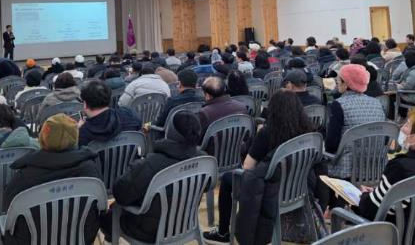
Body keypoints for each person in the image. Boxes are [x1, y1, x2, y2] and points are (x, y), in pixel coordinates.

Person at [203, 90, 314, 243]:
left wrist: (256, 139)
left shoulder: (267, 133)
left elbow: (247, 166)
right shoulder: (307, 131)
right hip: (297, 188)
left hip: (268, 191)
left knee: (228, 179)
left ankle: (223, 233)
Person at [0, 114, 103, 245]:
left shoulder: (23, 178)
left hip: (28, 240)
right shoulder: (90, 170)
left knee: (0, 227)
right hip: (80, 237)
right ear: (75, 137)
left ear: (42, 137)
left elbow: (8, 212)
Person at [101, 112, 205, 243]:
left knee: (108, 214)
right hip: (186, 223)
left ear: (171, 133)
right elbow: (208, 185)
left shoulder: (150, 164)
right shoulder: (203, 159)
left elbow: (120, 194)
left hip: (148, 231)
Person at [325, 64, 386, 179]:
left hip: (347, 169)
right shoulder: (377, 103)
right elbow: (384, 137)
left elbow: (332, 144)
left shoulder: (338, 104)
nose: (337, 82)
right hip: (376, 168)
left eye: (339, 80)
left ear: (346, 83)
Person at [78, 80, 141, 147]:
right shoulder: (129, 115)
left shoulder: (83, 133)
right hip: (132, 153)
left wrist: (78, 130)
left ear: (85, 104)